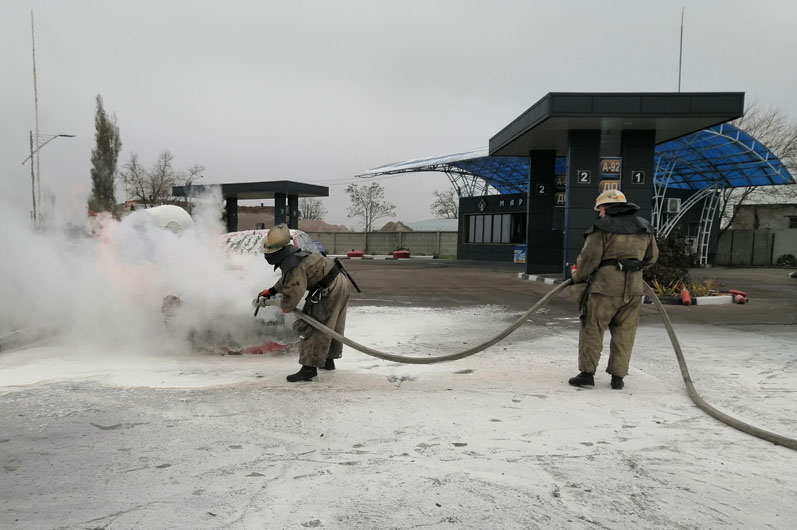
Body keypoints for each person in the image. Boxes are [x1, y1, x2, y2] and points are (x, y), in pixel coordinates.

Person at [569, 190, 659, 390]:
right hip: (634, 288)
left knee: (593, 328)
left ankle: (587, 374)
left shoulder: (602, 229)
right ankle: (618, 378)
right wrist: (633, 266)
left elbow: (588, 260)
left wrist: (577, 278)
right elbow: (652, 258)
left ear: (606, 208)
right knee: (625, 332)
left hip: (605, 287)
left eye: (599, 209)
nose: (599, 213)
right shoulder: (644, 228)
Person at [257, 224, 351, 382]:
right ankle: (328, 360)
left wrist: (286, 305)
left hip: (328, 290)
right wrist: (272, 291)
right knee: (332, 325)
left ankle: (308, 369)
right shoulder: (294, 255)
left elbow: (293, 289)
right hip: (340, 282)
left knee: (314, 326)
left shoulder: (292, 264)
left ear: (274, 254)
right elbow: (288, 279)